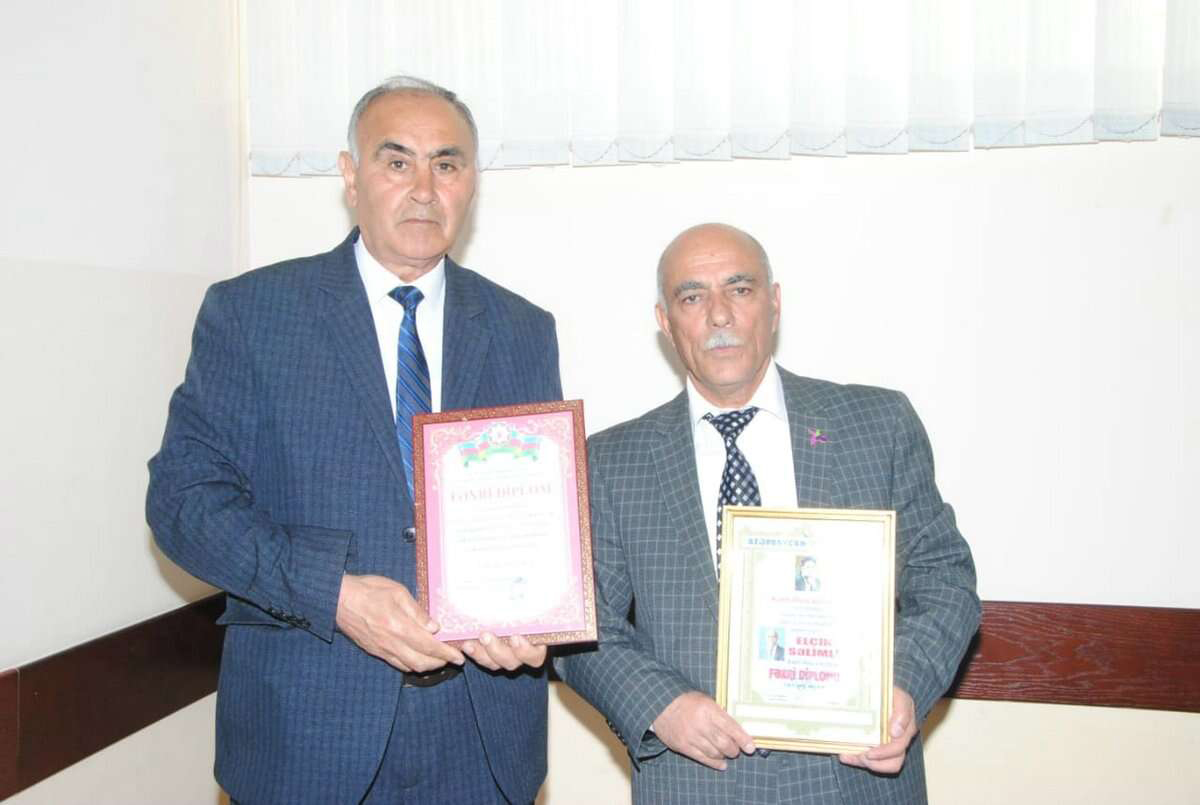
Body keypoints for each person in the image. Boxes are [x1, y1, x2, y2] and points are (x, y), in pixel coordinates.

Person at [147, 76, 560, 804]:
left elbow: (538, 518)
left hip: (482, 740)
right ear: (350, 175)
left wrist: (536, 617)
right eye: (397, 161)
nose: (424, 189)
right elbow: (183, 503)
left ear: (471, 182)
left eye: (447, 164)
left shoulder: (523, 329)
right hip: (306, 736)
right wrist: (333, 593)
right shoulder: (253, 313)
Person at [558, 223, 979, 804]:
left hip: (854, 778)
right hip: (696, 782)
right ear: (666, 321)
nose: (719, 314)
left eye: (740, 289)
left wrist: (902, 687)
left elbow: (944, 577)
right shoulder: (610, 461)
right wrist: (661, 706)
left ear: (774, 303)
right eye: (692, 297)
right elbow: (583, 626)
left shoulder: (877, 425)